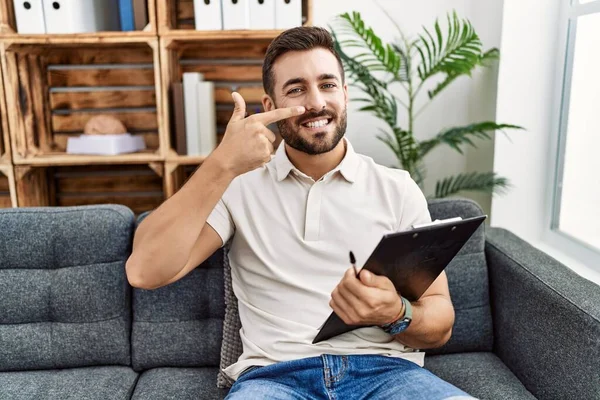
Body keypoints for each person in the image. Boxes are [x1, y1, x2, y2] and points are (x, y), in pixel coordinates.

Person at [126, 26, 475, 400]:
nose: (315, 102)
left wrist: (393, 312)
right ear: (268, 107)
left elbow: (440, 326)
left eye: (327, 85)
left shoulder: (397, 188)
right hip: (274, 379)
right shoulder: (238, 185)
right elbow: (145, 271)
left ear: (344, 94)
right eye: (295, 89)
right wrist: (221, 163)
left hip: (387, 374)